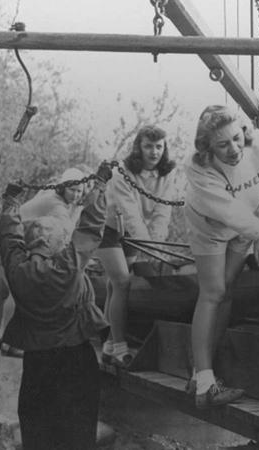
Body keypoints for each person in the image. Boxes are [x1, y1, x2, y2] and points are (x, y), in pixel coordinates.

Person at [183, 105, 259, 408]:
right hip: (210, 226)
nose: (234, 149)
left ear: (244, 132)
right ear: (207, 146)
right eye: (223, 144)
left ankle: (200, 371)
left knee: (229, 291)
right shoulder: (197, 167)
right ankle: (205, 385)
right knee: (213, 291)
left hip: (247, 226)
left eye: (237, 138)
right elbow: (231, 214)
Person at [0, 161, 114, 450]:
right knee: (78, 426)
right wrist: (99, 185)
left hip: (37, 360)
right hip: (75, 358)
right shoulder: (67, 266)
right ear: (56, 244)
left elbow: (9, 237)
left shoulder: (17, 267)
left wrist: (11, 201)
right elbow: (90, 229)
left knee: (37, 427)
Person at [98, 125, 178, 367]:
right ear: (138, 147)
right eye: (148, 146)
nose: (154, 152)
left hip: (131, 232)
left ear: (164, 148)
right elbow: (130, 213)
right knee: (122, 281)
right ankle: (121, 346)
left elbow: (162, 212)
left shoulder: (167, 174)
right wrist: (148, 248)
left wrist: (155, 245)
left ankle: (109, 344)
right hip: (109, 226)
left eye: (158, 146)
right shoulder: (123, 172)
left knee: (116, 285)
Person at [0, 167, 88, 357]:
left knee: (2, 289)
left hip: (1, 232)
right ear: (62, 188)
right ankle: (10, 343)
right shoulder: (56, 204)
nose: (76, 195)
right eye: (72, 190)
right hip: (2, 236)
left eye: (79, 191)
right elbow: (67, 234)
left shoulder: (52, 197)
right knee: (14, 290)